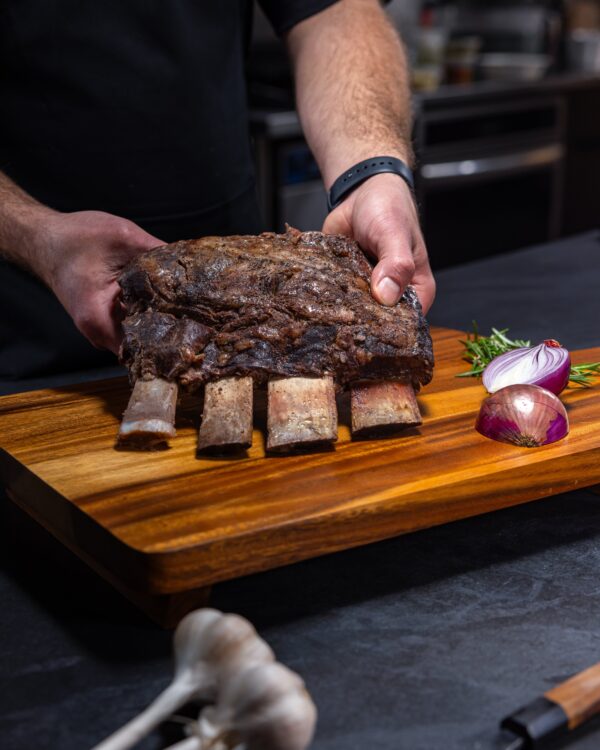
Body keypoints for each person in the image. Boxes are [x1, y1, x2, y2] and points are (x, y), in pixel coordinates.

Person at [0, 0, 435, 385]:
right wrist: (36, 235)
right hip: (28, 321)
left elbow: (333, 11)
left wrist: (370, 174)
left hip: (259, 320)